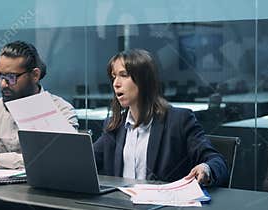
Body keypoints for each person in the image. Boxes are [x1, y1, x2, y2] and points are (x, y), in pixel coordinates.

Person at [94, 49, 228, 186]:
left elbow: (216, 161)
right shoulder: (114, 125)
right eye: (114, 76)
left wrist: (206, 168)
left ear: (143, 80)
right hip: (120, 204)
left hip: (163, 205)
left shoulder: (179, 121)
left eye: (123, 75)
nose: (116, 83)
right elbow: (88, 161)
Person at [0, 41, 79, 169]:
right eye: (0, 76)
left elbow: (61, 158)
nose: (3, 84)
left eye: (11, 77)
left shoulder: (62, 110)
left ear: (35, 75)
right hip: (3, 187)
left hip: (46, 186)